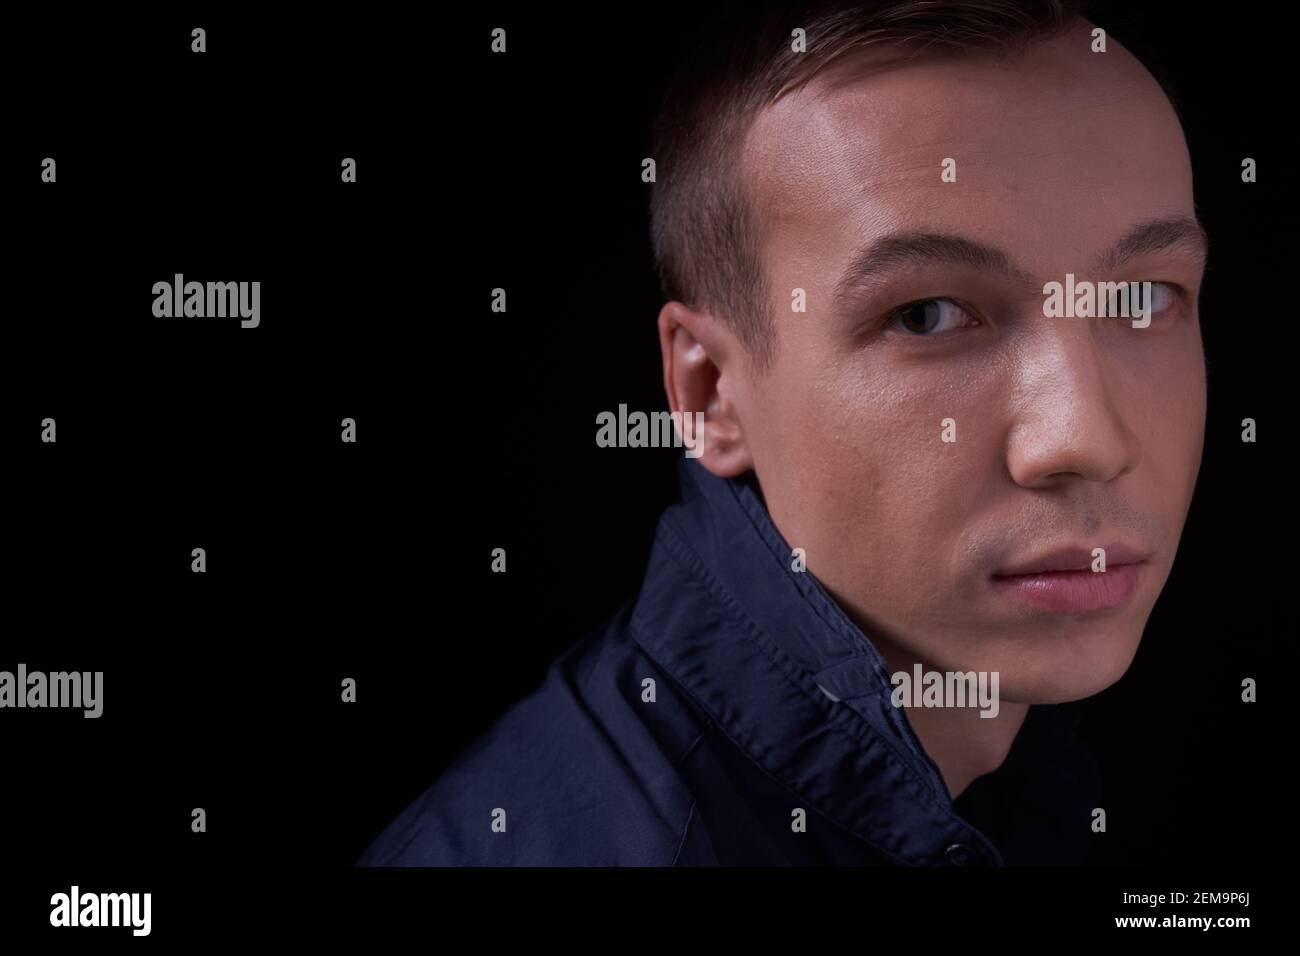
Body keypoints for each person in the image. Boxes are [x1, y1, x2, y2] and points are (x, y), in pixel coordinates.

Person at [358, 0, 1207, 866]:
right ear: (709, 393)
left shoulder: (1031, 772)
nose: (1086, 439)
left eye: (1142, 297)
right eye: (927, 313)